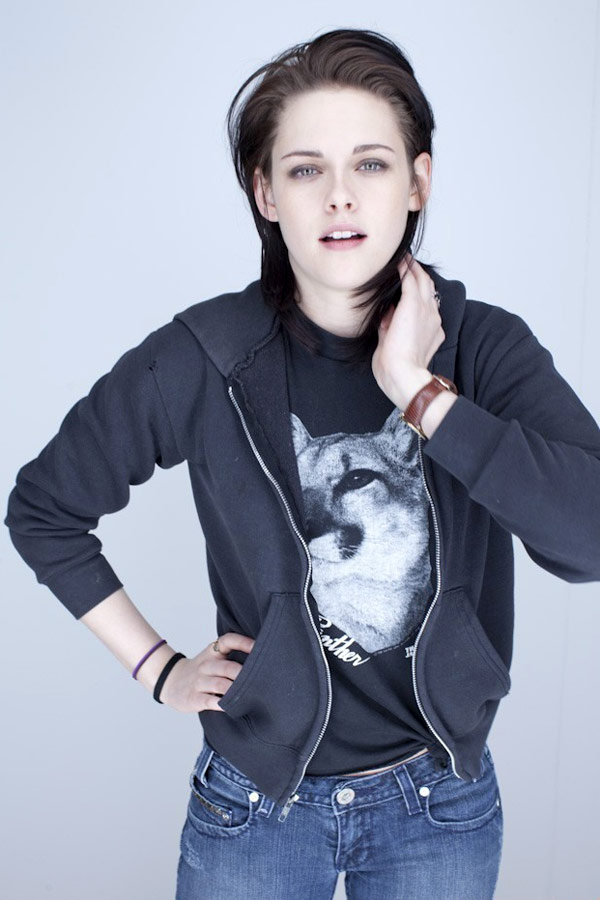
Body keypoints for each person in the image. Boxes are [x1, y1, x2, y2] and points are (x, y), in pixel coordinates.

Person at [5, 27, 600, 900]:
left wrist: (421, 394)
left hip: (438, 802)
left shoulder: (483, 348)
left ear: (417, 182)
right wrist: (158, 668)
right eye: (306, 168)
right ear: (267, 193)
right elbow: (44, 509)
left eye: (370, 164)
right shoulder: (206, 356)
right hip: (255, 809)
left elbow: (589, 542)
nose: (340, 196)